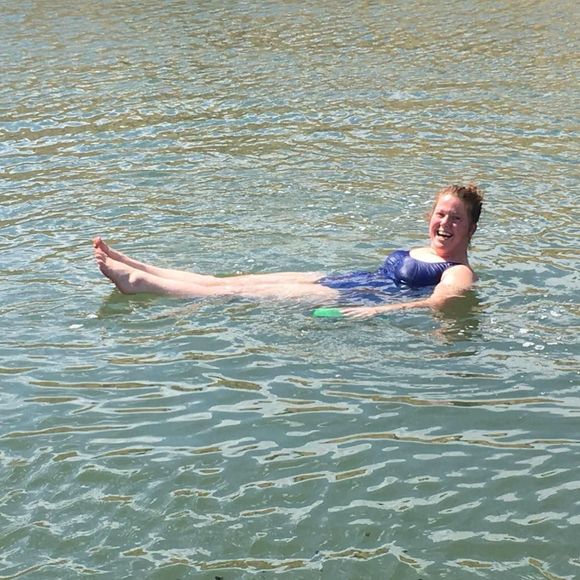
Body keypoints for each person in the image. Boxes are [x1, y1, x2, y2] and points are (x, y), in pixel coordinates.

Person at [93, 183, 483, 319]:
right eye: (440, 214)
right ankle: (136, 265)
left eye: (456, 219)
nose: (445, 224)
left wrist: (372, 312)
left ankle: (140, 284)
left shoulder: (458, 271)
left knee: (232, 292)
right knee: (223, 280)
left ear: (470, 229)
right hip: (341, 279)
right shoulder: (424, 249)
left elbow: (437, 303)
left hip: (350, 297)